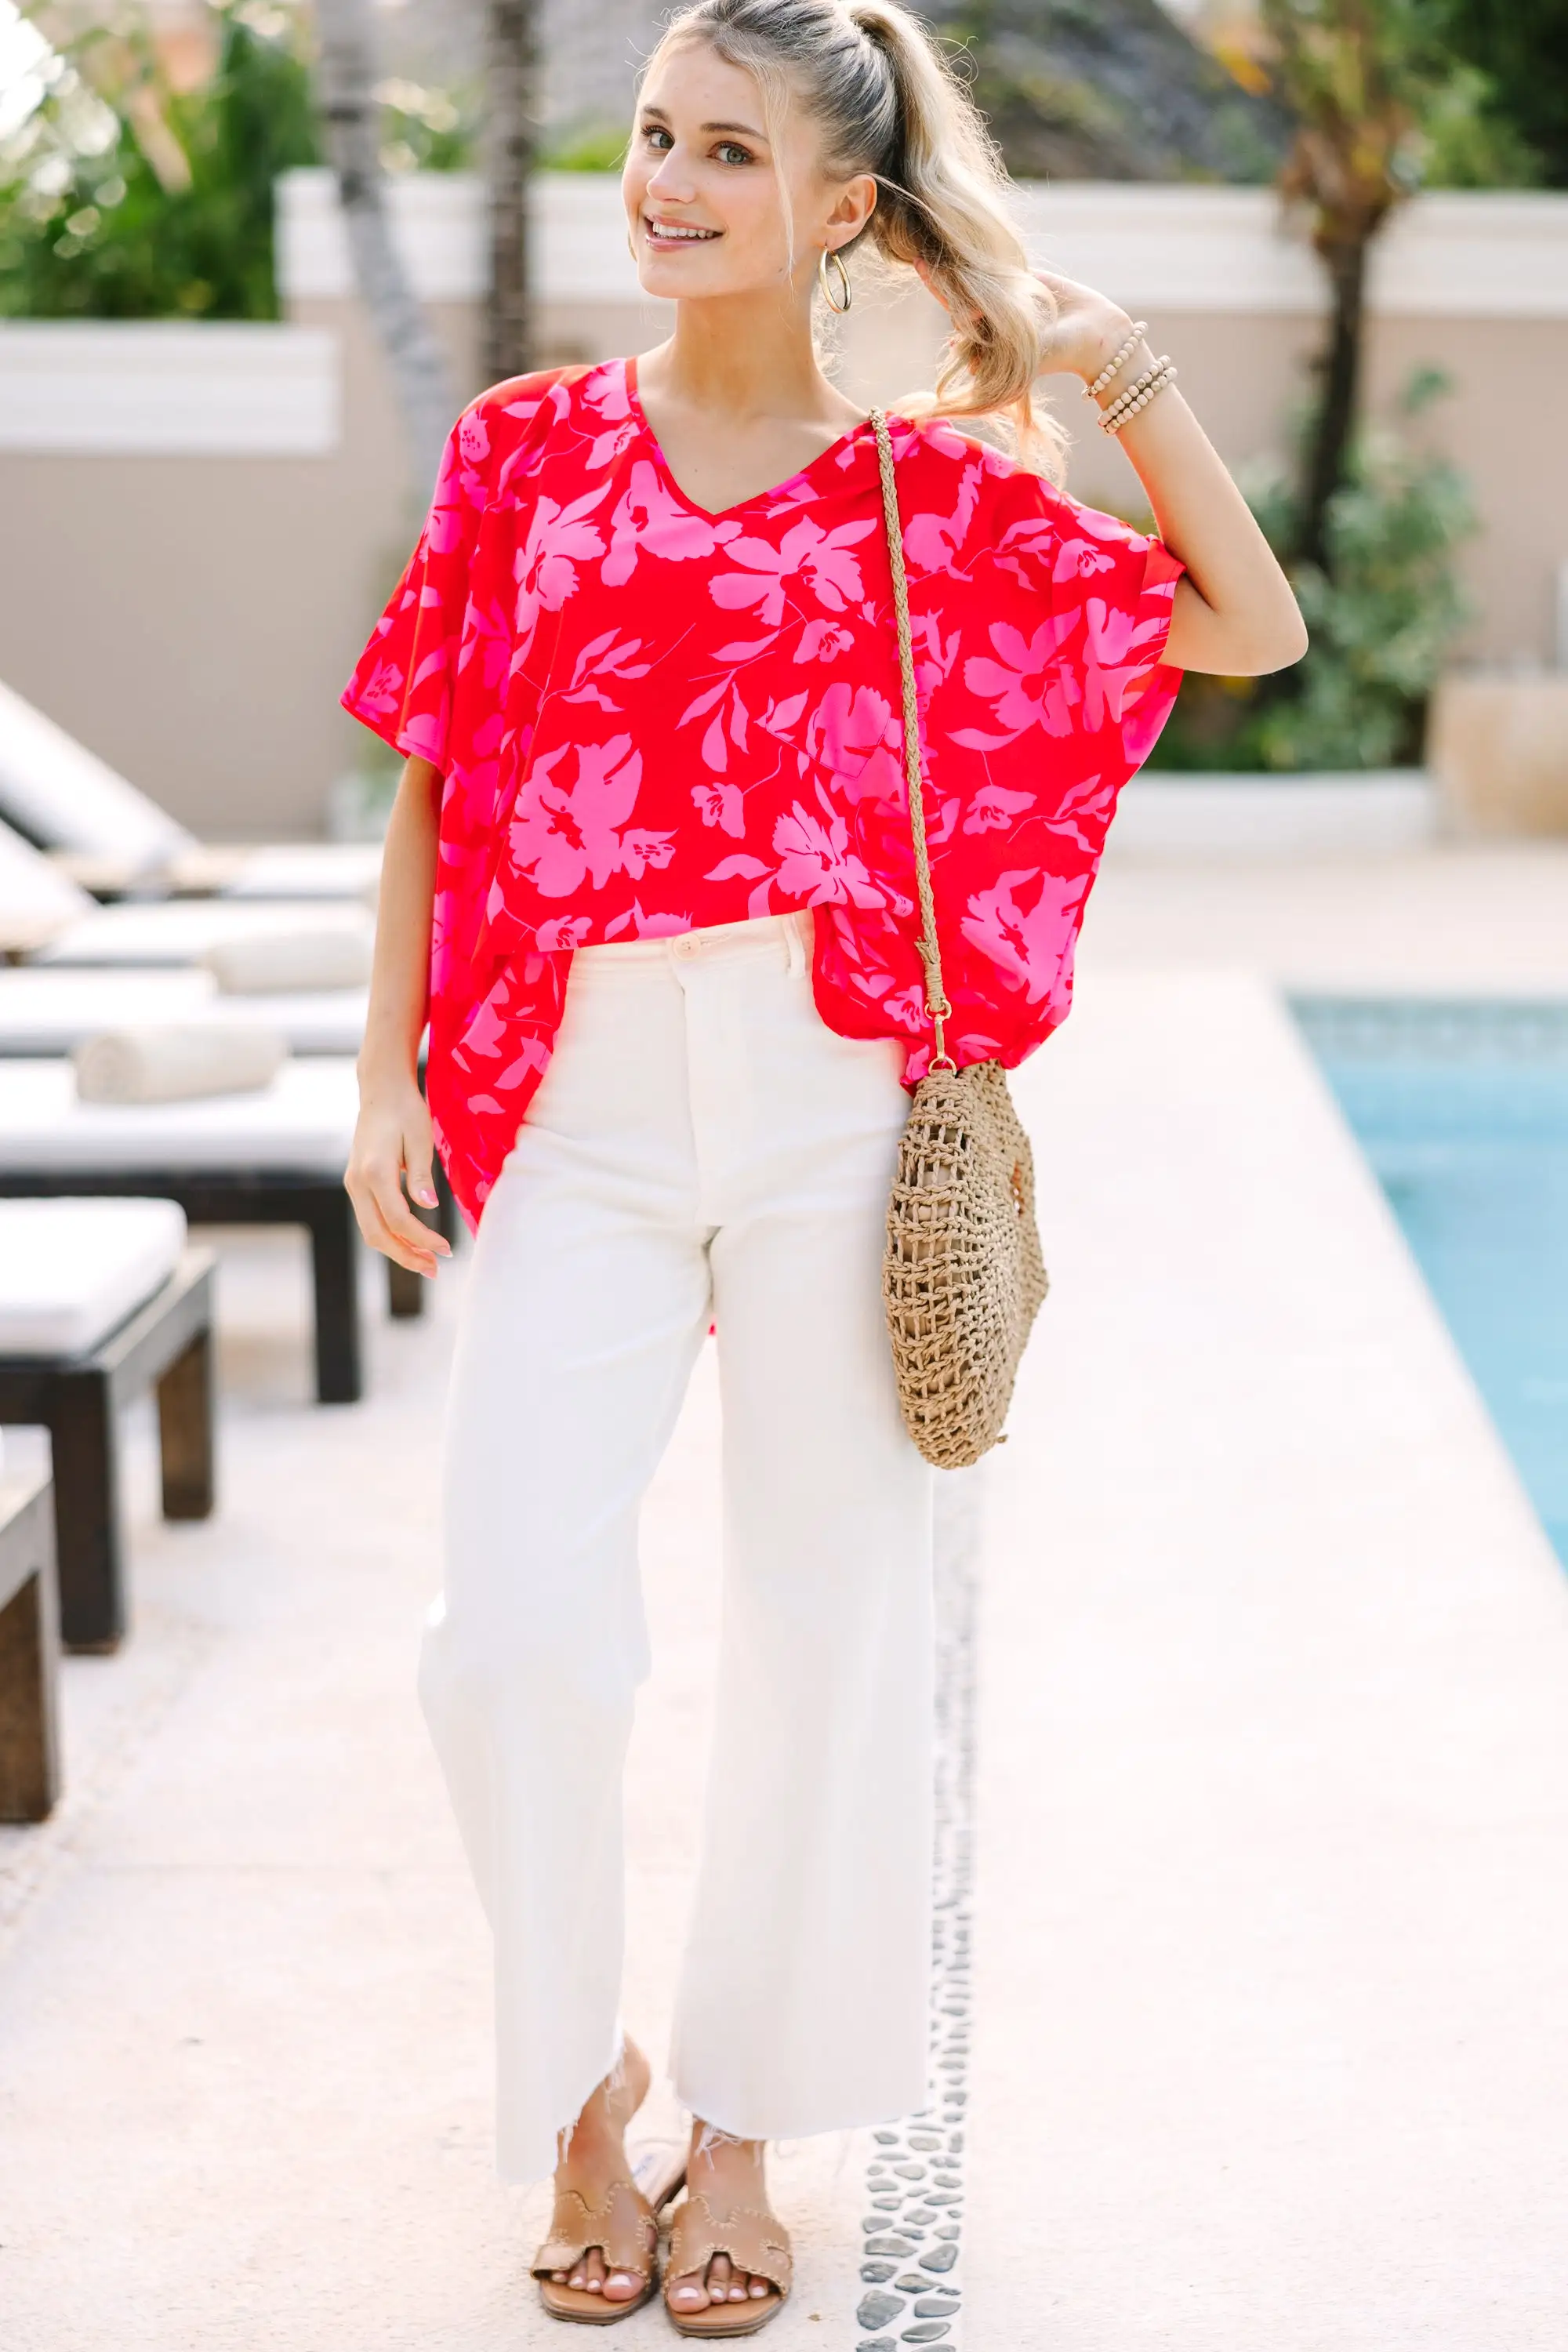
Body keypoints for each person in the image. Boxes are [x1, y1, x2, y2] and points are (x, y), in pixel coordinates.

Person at [343, 0, 1305, 2331]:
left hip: (828, 1099)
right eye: (654, 138)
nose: (665, 185)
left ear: (846, 206)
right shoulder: (527, 452)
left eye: (727, 153)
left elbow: (1246, 627)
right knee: (510, 1634)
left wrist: (1106, 363)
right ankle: (584, 2089)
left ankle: (745, 2128)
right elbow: (440, 777)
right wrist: (386, 1073)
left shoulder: (937, 492)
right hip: (568, 1087)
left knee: (825, 1622)